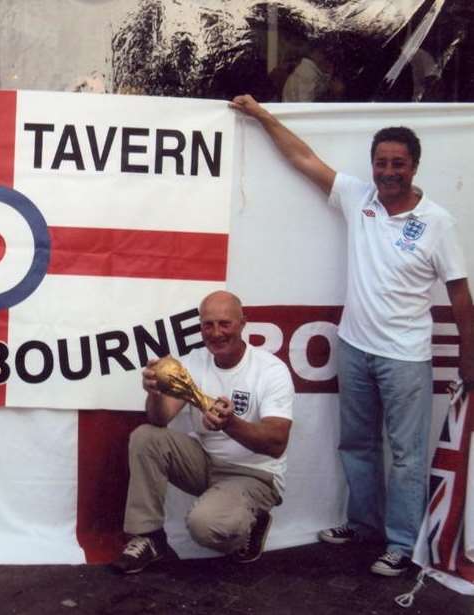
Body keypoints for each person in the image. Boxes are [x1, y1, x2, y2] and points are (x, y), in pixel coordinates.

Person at [229, 94, 474, 576]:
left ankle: (401, 544)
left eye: (398, 163)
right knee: (357, 444)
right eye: (381, 162)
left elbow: (460, 296)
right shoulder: (358, 197)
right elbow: (303, 159)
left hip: (406, 356)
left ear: (415, 167)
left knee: (406, 456)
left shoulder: (437, 222)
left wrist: (470, 356)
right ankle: (364, 525)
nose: (388, 171)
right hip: (356, 348)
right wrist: (260, 114)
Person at [111, 291, 294, 574]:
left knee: (205, 529)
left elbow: (276, 443)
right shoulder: (195, 362)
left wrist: (229, 423)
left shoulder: (270, 370)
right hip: (206, 462)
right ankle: (149, 537)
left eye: (225, 324)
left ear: (243, 323)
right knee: (146, 437)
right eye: (208, 324)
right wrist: (156, 394)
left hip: (253, 473)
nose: (216, 333)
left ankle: (252, 520)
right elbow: (159, 420)